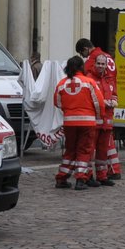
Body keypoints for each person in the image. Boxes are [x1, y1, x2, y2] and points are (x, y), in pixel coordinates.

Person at [53, 56, 103, 189]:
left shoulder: (61, 84)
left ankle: (61, 178)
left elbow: (57, 103)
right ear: (82, 67)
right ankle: (81, 179)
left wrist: (69, 110)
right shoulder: (89, 82)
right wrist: (98, 116)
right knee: (84, 151)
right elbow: (99, 103)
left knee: (70, 151)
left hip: (69, 123)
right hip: (87, 123)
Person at [85, 44, 122, 186]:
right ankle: (88, 177)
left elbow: (114, 95)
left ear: (106, 65)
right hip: (94, 122)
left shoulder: (109, 79)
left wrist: (113, 101)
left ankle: (102, 176)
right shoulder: (89, 79)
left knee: (102, 152)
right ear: (95, 64)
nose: (101, 66)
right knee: (89, 151)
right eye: (98, 63)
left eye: (103, 64)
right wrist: (104, 103)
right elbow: (89, 99)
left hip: (106, 121)